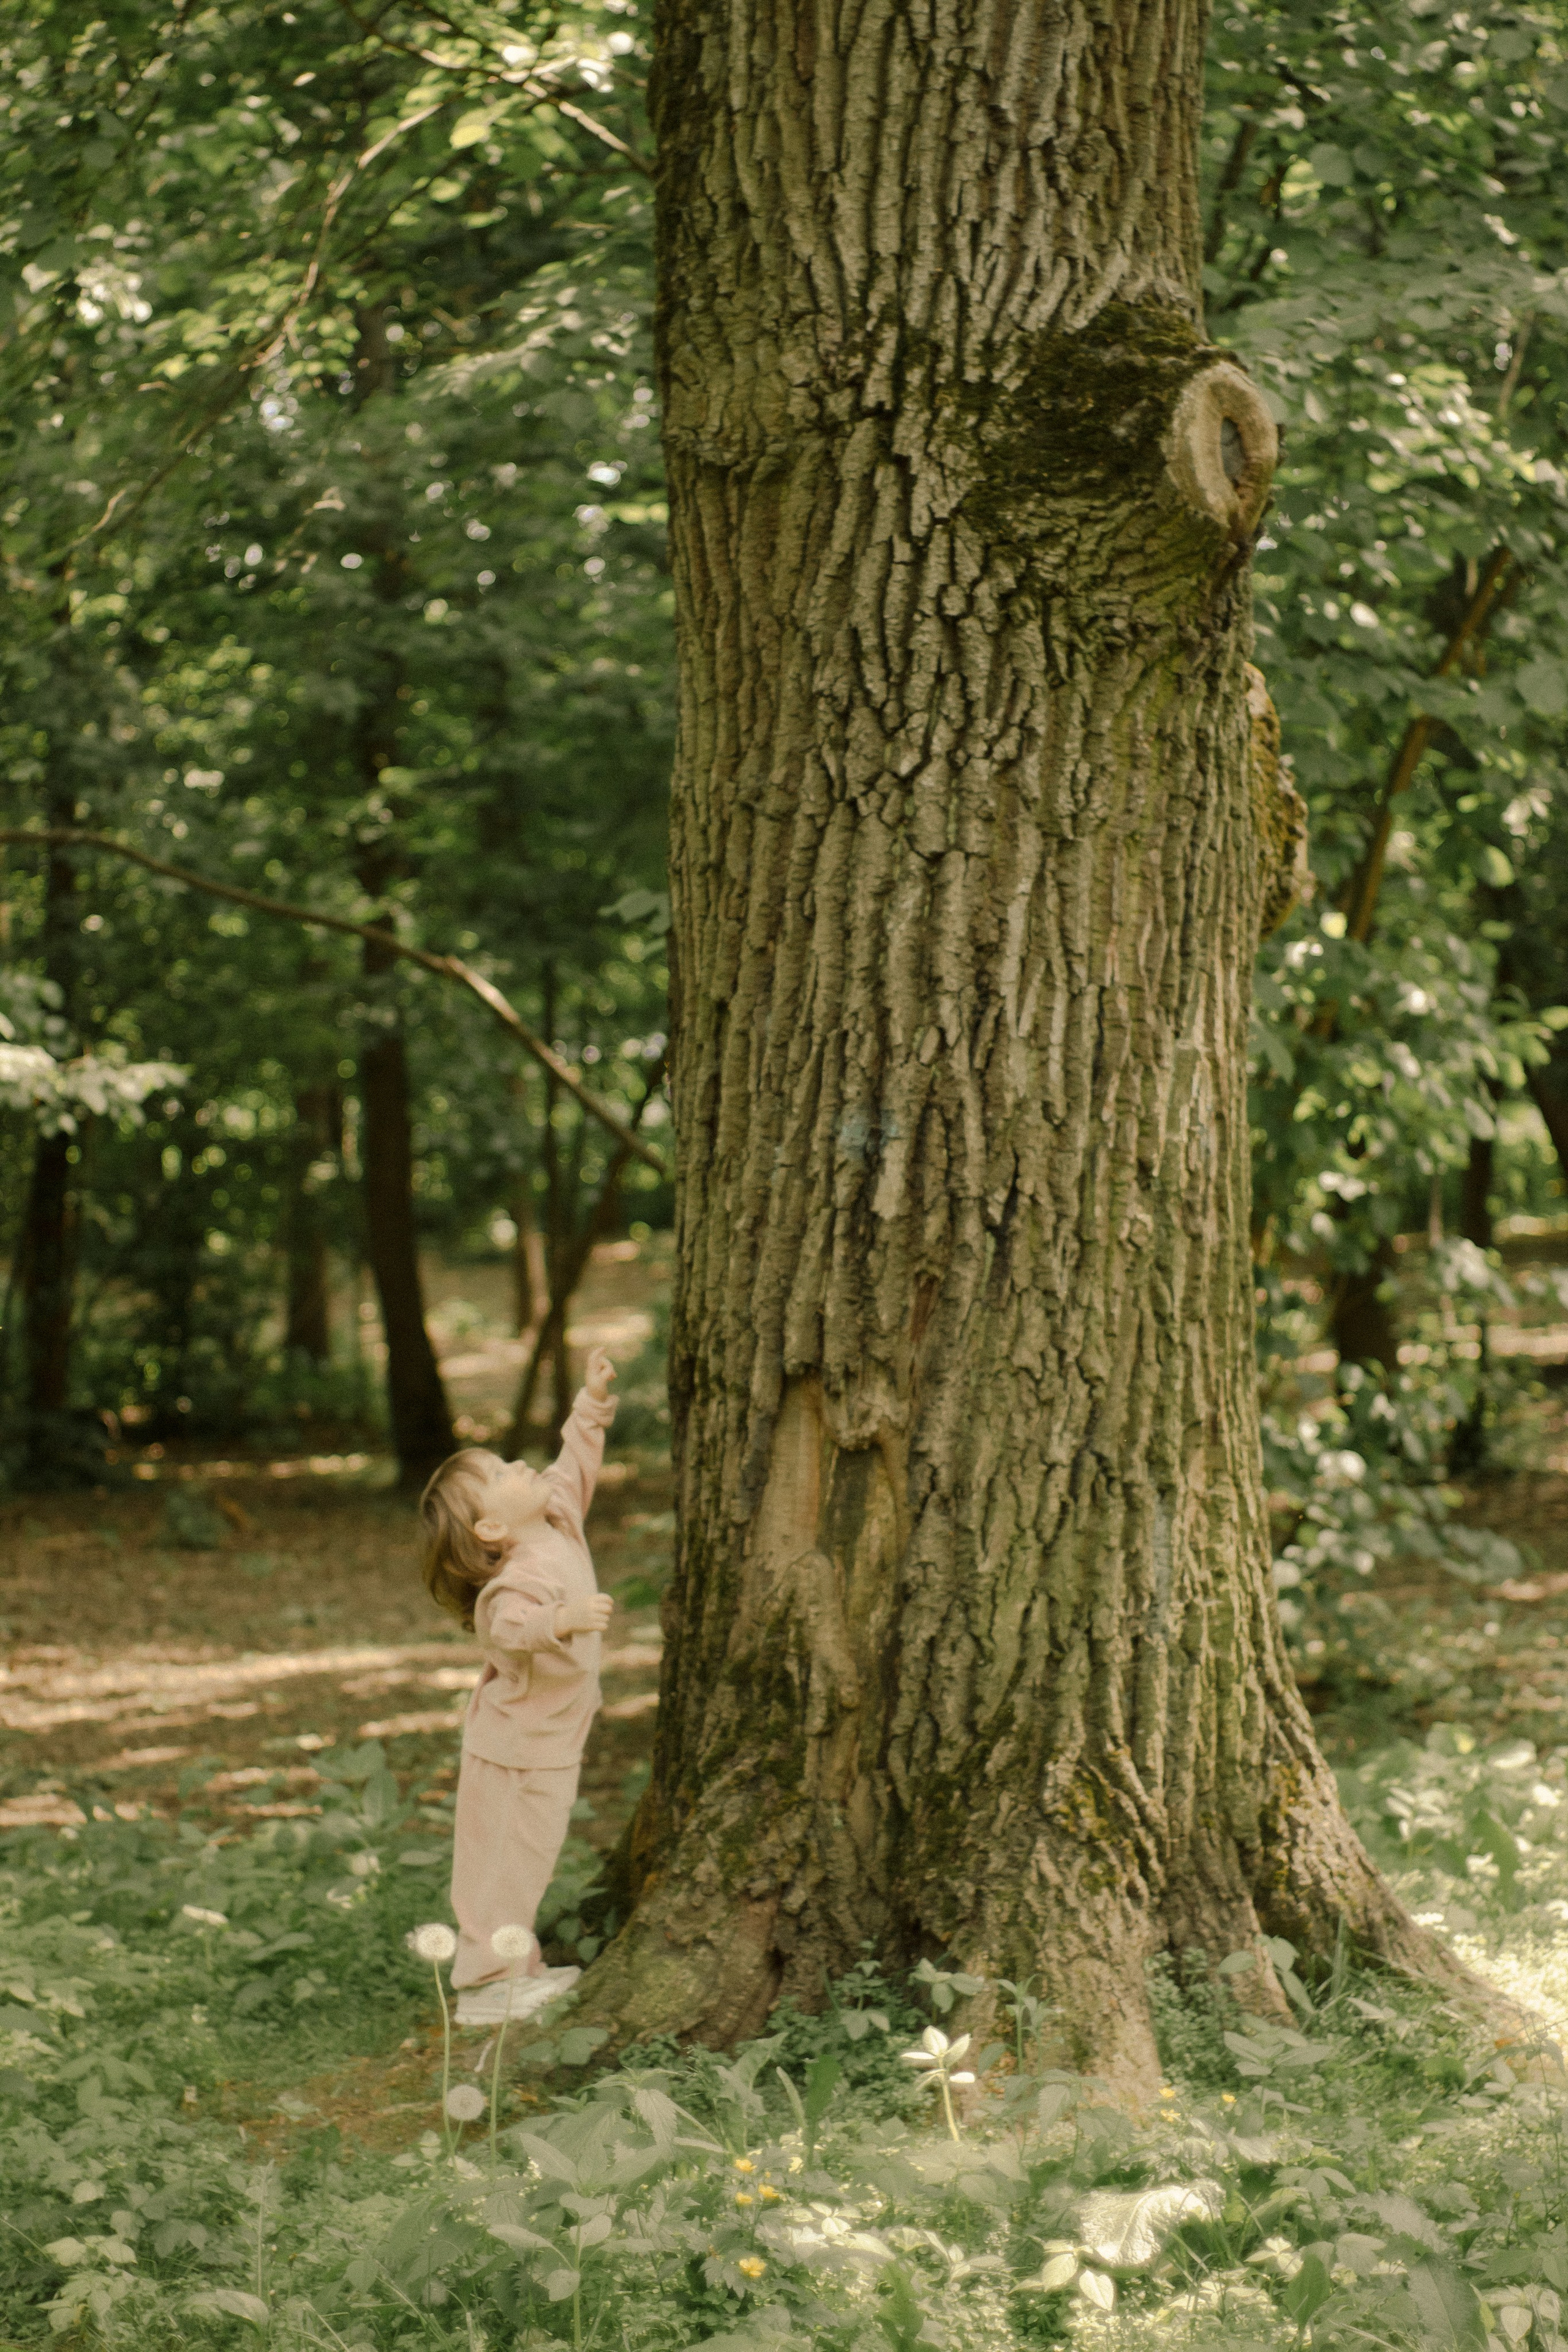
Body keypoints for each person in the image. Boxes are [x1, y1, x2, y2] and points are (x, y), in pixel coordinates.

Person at [417, 1345, 617, 2026]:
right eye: (501, 1472)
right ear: (493, 1528)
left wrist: (589, 1405)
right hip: (513, 1750)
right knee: (498, 1864)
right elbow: (510, 1631)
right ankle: (484, 1987)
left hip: (551, 1741)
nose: (518, 1463)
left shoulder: (556, 1517)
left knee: (526, 1862)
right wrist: (559, 1619)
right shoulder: (515, 1581)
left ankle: (516, 1967)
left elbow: (574, 1466)